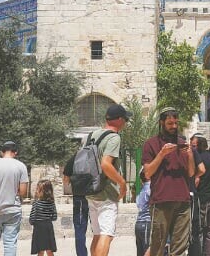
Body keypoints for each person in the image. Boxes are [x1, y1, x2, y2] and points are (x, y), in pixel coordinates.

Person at [143, 106, 196, 256]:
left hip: (183, 201)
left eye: (175, 123)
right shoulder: (151, 144)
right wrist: (161, 154)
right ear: (161, 123)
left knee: (180, 248)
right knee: (157, 246)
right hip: (161, 201)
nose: (173, 127)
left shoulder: (182, 143)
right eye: (170, 124)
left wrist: (190, 155)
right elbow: (147, 173)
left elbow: (191, 172)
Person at [85, 104, 129, 256]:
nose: (126, 122)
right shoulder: (114, 137)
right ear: (118, 120)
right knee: (106, 234)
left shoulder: (91, 135)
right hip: (107, 193)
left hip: (91, 191)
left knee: (97, 235)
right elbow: (105, 164)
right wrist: (122, 183)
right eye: (125, 119)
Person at [0, 140, 29, 256]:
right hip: (13, 210)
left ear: (1, 152)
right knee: (10, 244)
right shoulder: (21, 166)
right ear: (15, 152)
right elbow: (23, 192)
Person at [62, 154, 89, 256]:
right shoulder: (97, 156)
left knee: (80, 228)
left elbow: (66, 180)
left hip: (80, 197)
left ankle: (82, 254)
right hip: (98, 197)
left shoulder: (75, 158)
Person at [29, 179, 58, 256]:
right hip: (48, 227)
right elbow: (54, 217)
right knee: (49, 250)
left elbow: (32, 217)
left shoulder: (36, 202)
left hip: (38, 227)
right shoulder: (51, 202)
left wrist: (32, 222)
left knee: (40, 250)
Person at [135, 168, 152, 256]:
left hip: (139, 223)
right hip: (147, 223)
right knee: (148, 251)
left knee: (140, 251)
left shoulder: (141, 191)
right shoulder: (150, 189)